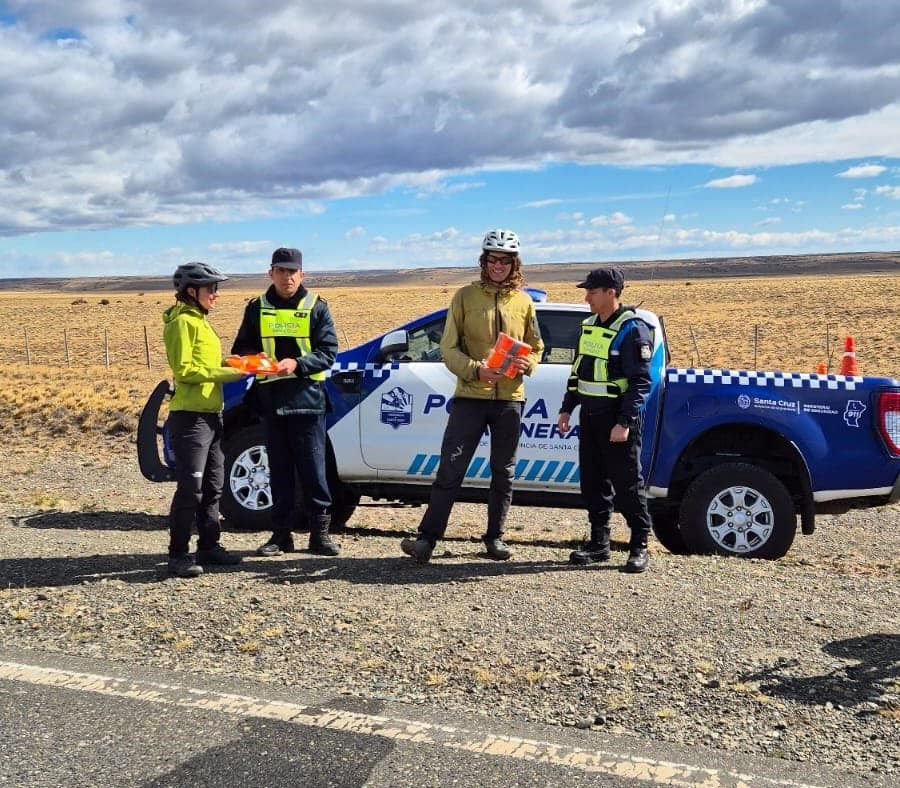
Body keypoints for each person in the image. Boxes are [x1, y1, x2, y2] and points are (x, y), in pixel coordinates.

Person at [400, 229, 544, 564]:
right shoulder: (464, 297)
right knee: (451, 468)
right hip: (470, 396)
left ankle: (495, 539)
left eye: (505, 261)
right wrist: (475, 370)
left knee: (503, 472)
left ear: (514, 264)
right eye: (493, 259)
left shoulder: (523, 302)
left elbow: (537, 346)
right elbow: (447, 349)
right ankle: (427, 539)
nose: (498, 266)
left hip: (510, 398)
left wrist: (529, 363)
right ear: (484, 261)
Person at [231, 247, 340, 557]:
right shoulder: (256, 308)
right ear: (271, 273)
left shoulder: (316, 307)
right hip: (271, 403)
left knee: (314, 472)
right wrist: (253, 360)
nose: (287, 276)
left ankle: (320, 536)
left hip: (307, 403)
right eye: (281, 270)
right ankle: (280, 536)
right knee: (277, 472)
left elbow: (327, 353)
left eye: (292, 271)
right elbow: (241, 349)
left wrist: (297, 364)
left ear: (301, 274)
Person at [557, 267, 654, 573]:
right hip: (590, 416)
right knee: (593, 484)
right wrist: (566, 408)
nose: (586, 297)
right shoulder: (588, 326)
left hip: (617, 419)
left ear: (610, 293)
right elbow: (579, 372)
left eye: (592, 292)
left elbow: (640, 382)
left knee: (627, 486)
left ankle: (639, 545)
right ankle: (599, 544)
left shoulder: (632, 328)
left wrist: (624, 422)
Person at [163, 262, 246, 578]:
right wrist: (232, 373)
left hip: (212, 416)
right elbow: (185, 371)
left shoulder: (199, 321)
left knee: (213, 486)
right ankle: (178, 554)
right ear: (191, 292)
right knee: (191, 488)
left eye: (216, 288)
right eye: (211, 289)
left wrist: (234, 362)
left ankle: (209, 546)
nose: (216, 294)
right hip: (191, 418)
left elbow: (206, 363)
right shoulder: (182, 323)